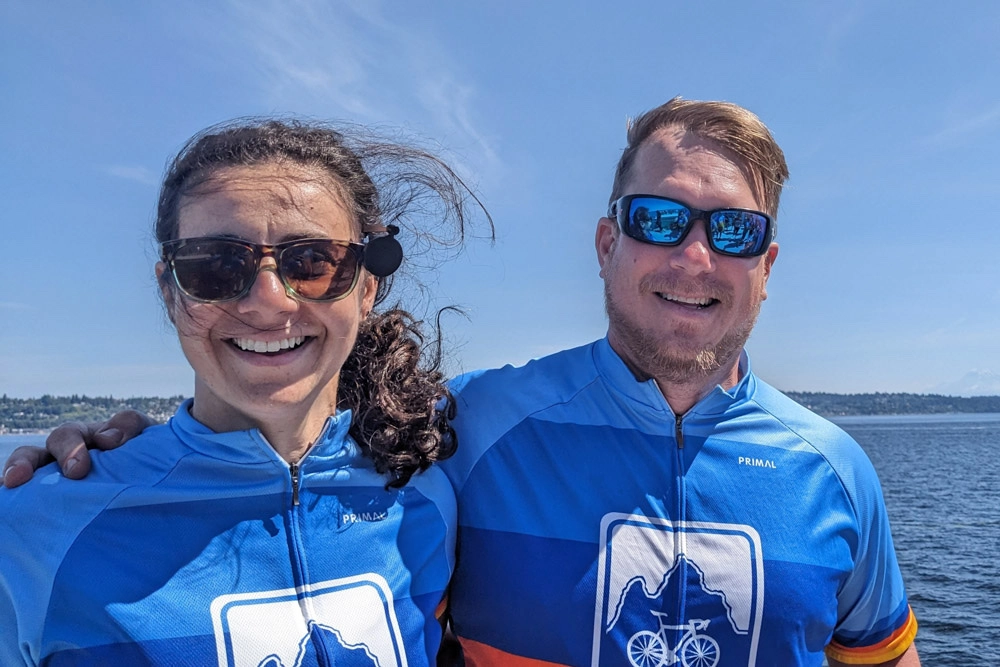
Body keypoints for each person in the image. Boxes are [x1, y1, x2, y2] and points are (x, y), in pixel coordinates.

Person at [4, 98, 920, 666]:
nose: (268, 300)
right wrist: (110, 455)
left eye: (732, 231)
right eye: (658, 218)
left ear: (767, 264)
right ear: (608, 246)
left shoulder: (836, 471)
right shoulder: (472, 432)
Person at [0, 117, 490, 666]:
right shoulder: (33, 529)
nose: (268, 301)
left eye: (312, 262)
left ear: (366, 287)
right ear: (169, 291)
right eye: (215, 265)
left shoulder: (428, 496)